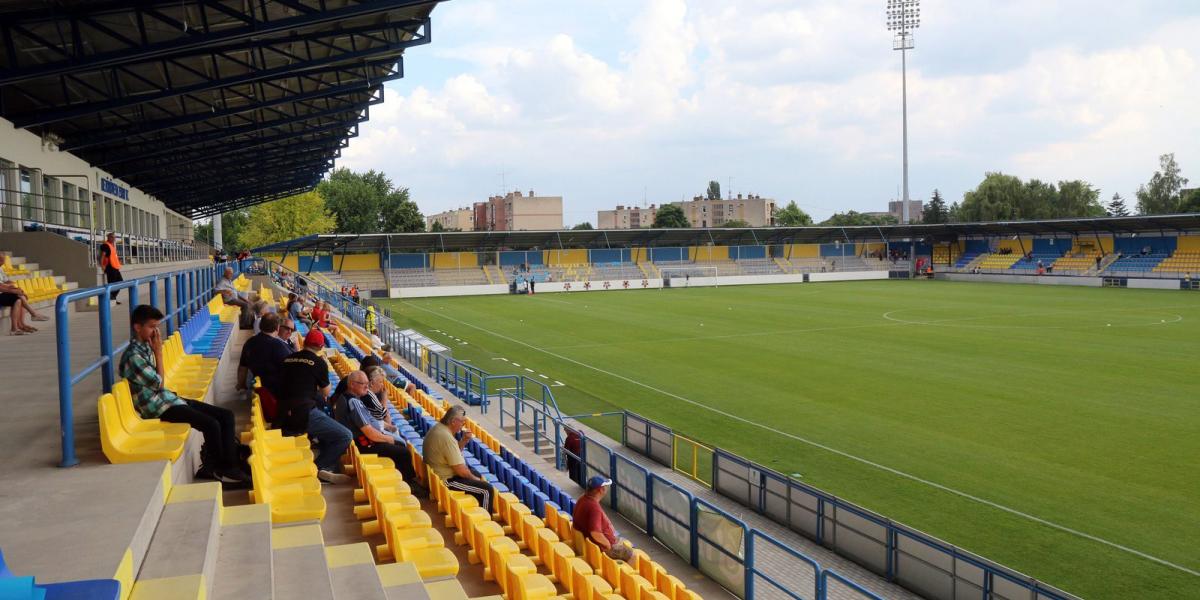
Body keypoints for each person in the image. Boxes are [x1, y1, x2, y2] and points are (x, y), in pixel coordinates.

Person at [120, 305, 249, 486]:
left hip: (167, 399)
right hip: (157, 408)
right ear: (137, 327)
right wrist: (159, 352)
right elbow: (159, 383)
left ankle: (229, 467)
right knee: (211, 424)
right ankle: (220, 469)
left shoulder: (145, 347)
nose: (155, 332)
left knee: (226, 416)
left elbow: (160, 385)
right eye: (151, 327)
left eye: (157, 327)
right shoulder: (133, 356)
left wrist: (156, 351)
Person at [278, 329, 353, 484]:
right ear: (320, 347)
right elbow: (326, 391)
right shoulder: (318, 362)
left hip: (281, 412)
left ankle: (326, 467)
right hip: (303, 414)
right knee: (345, 435)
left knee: (325, 418)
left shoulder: (288, 358)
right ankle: (316, 468)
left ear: (304, 343)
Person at [331, 370, 420, 486]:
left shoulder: (346, 397)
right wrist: (389, 439)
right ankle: (409, 484)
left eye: (367, 383)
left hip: (360, 441)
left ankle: (404, 480)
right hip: (365, 444)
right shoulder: (353, 401)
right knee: (403, 451)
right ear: (352, 384)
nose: (367, 386)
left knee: (398, 443)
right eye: (363, 383)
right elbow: (370, 433)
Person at [423, 405, 494, 510]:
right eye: (462, 422)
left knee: (474, 473)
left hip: (440, 475)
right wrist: (477, 480)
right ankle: (486, 520)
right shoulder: (446, 437)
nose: (463, 425)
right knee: (486, 489)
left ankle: (476, 510)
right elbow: (461, 471)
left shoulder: (440, 429)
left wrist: (464, 440)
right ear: (453, 421)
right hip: (447, 481)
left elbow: (452, 453)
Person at [237, 313, 293, 415]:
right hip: (275, 394)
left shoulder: (249, 342)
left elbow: (242, 368)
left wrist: (241, 384)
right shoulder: (279, 346)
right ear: (277, 327)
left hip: (259, 389)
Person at [573, 476, 633, 561]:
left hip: (591, 543)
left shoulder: (583, 498)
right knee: (632, 554)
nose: (606, 489)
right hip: (602, 547)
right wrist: (608, 545)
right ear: (600, 490)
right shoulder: (594, 508)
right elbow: (595, 533)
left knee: (623, 541)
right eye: (605, 487)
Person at [0, 255, 49, 335]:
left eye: (3, 261)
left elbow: (6, 281)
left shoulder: (0, 269)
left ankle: (18, 326)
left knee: (19, 299)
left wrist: (13, 286)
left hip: (4, 293)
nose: (3, 263)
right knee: (18, 297)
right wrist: (12, 290)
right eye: (2, 261)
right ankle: (32, 315)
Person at [99, 232, 124, 303]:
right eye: (112, 237)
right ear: (109, 237)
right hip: (110, 268)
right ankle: (112, 299)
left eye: (114, 237)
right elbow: (102, 256)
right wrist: (102, 266)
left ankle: (112, 297)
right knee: (112, 284)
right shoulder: (106, 245)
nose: (114, 239)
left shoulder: (111, 246)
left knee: (120, 282)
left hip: (115, 267)